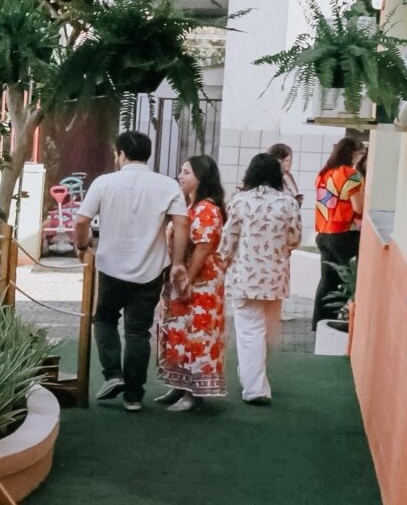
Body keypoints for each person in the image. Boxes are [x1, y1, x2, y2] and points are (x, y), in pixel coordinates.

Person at [75, 130, 186, 413]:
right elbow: (181, 223)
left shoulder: (104, 183)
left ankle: (113, 375)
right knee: (138, 331)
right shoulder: (167, 185)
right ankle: (134, 397)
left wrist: (82, 245)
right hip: (150, 269)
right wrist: (178, 262)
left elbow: (81, 220)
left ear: (121, 154)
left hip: (110, 266)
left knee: (104, 319)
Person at [220, 151, 305, 406]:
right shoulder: (289, 203)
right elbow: (295, 238)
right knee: (266, 331)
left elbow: (228, 239)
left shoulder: (240, 201)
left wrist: (223, 261)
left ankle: (254, 387)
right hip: (275, 278)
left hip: (245, 277)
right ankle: (253, 378)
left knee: (250, 331)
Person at [155, 154, 228, 412]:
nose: (180, 176)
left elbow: (203, 247)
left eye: (186, 172)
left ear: (200, 178)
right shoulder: (190, 206)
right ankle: (179, 385)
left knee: (197, 335)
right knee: (179, 333)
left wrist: (189, 279)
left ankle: (193, 393)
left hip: (200, 283)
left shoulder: (207, 209)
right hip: (185, 279)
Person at [312, 135, 368, 326]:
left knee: (327, 282)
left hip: (324, 233)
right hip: (344, 233)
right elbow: (358, 207)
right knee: (350, 280)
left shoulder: (324, 173)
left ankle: (319, 324)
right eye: (361, 153)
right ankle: (340, 323)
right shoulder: (349, 174)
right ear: (354, 154)